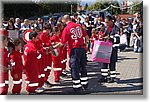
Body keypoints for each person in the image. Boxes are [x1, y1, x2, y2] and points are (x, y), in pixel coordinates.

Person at [52, 15, 89, 93]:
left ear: (64, 20)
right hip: (82, 49)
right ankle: (85, 85)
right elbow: (86, 37)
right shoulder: (79, 25)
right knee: (83, 67)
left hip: (74, 49)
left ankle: (77, 87)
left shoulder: (67, 28)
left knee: (74, 68)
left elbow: (62, 43)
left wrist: (53, 47)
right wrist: (85, 45)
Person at [98, 15, 119, 83]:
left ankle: (112, 77)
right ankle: (104, 76)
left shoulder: (116, 28)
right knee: (104, 62)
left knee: (112, 63)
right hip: (106, 47)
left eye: (107, 22)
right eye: (105, 22)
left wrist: (110, 38)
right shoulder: (106, 28)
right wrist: (102, 36)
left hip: (113, 48)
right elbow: (104, 34)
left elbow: (117, 39)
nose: (106, 24)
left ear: (111, 21)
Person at [0, 29, 9, 94]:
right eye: (6, 40)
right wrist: (3, 67)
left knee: (5, 86)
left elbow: (7, 60)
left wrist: (9, 65)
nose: (7, 42)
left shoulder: (5, 50)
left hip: (5, 73)